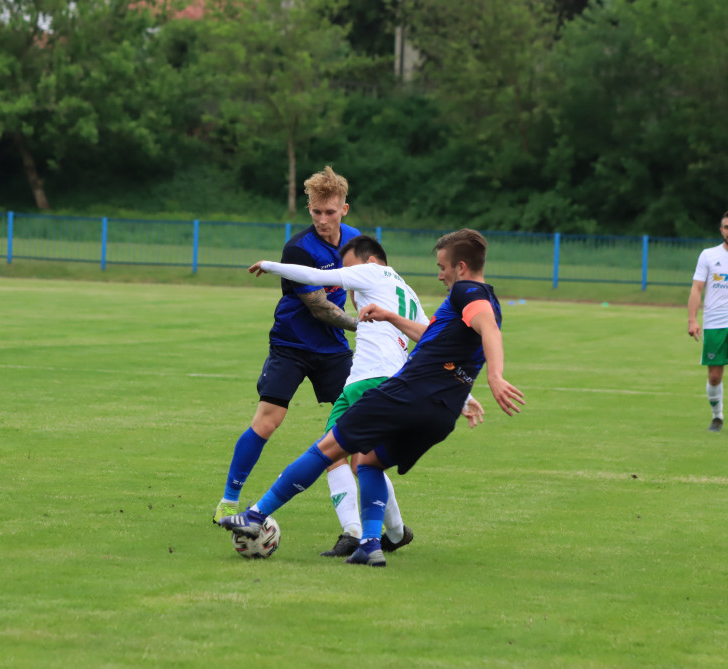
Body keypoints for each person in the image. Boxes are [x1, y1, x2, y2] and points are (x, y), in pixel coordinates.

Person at [220, 228, 524, 567]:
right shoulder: (481, 300)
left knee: (327, 450)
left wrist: (271, 265)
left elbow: (488, 330)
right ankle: (372, 543)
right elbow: (434, 341)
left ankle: (256, 514)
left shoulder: (466, 292)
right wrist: (393, 318)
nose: (439, 274)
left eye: (442, 267)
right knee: (369, 462)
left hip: (399, 391)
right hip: (441, 414)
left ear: (461, 267)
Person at [213, 167, 361, 524]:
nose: (322, 220)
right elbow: (320, 307)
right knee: (268, 421)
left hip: (334, 350)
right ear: (308, 208)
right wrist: (365, 325)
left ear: (344, 209)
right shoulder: (298, 248)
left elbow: (359, 287)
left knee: (353, 428)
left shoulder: (356, 241)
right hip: (291, 344)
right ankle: (228, 502)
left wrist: (366, 313)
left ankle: (360, 521)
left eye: (329, 212)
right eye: (315, 212)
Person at [688, 209, 728, 436]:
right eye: (727, 227)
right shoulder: (708, 256)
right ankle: (717, 417)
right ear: (721, 230)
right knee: (714, 376)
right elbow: (696, 288)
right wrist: (692, 319)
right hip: (714, 324)